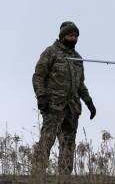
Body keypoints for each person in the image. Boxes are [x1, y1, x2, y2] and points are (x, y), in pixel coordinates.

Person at [32, 21, 96, 177]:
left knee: (68, 144)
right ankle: (37, 174)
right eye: (70, 35)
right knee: (47, 140)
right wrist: (41, 96)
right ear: (62, 36)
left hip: (72, 108)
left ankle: (65, 176)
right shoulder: (51, 52)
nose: (73, 38)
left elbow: (80, 84)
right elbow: (38, 76)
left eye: (76, 36)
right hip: (53, 106)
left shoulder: (78, 58)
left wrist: (89, 102)